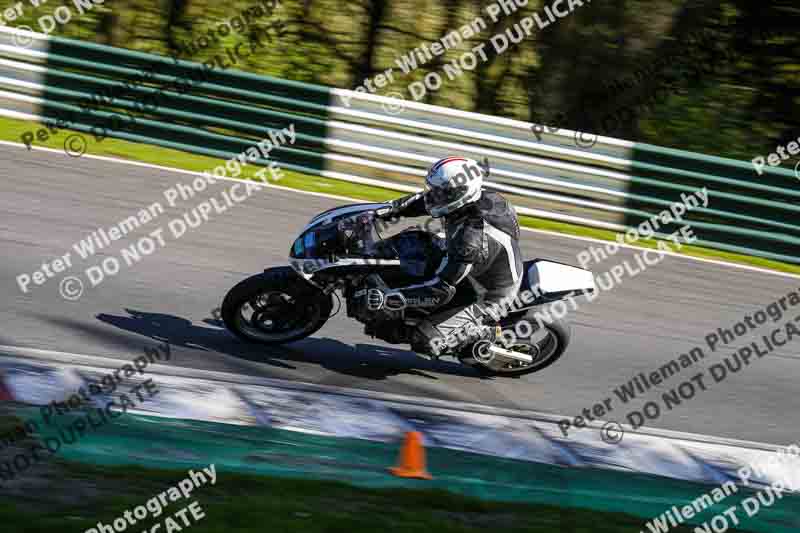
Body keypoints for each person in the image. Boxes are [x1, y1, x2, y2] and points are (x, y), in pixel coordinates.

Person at [369, 156, 523, 357]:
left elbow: (441, 289)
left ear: (460, 194)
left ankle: (487, 333)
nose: (434, 196)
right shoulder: (475, 199)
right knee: (414, 243)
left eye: (442, 193)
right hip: (478, 266)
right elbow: (421, 202)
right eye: (434, 190)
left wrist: (395, 298)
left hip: (487, 294)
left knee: (425, 341)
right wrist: (382, 211)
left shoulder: (469, 241)